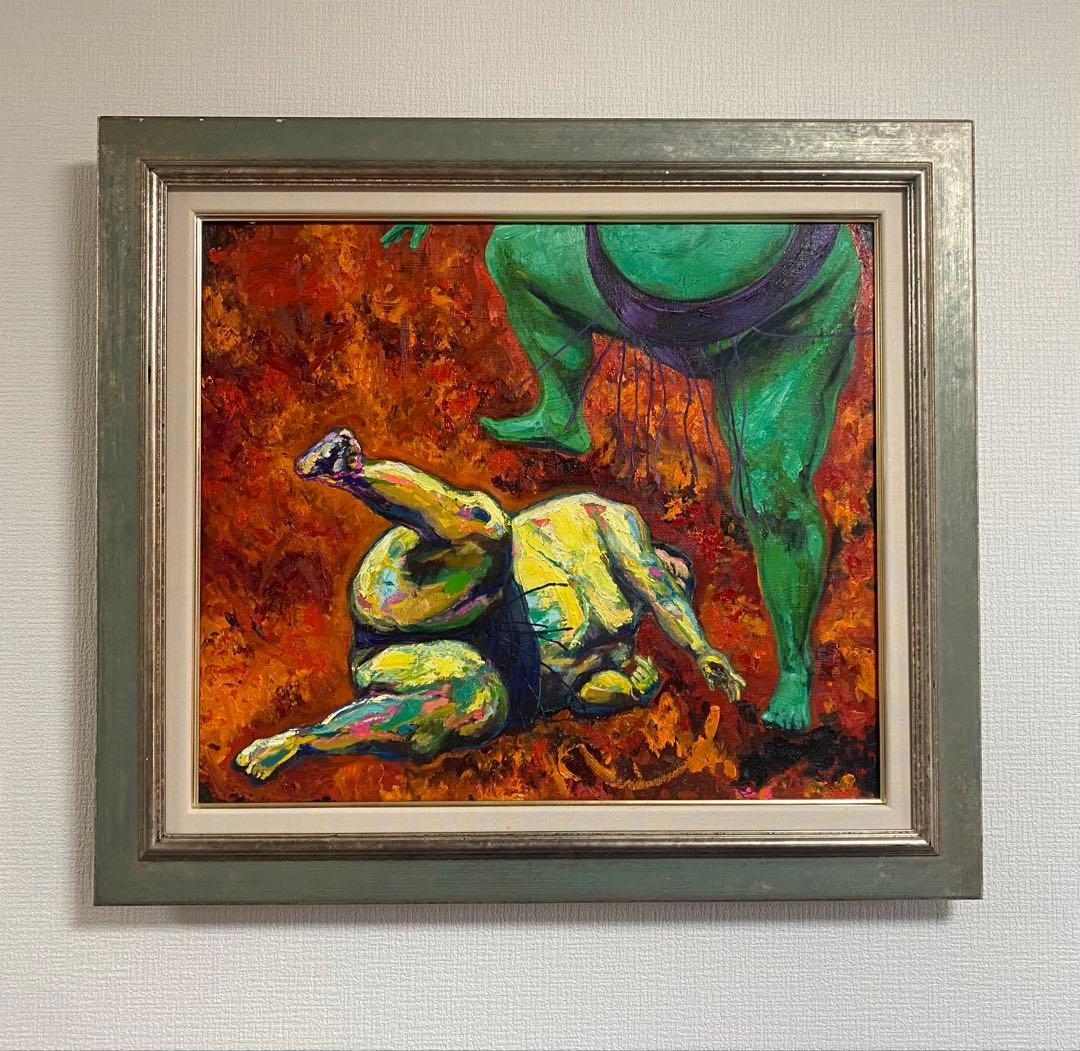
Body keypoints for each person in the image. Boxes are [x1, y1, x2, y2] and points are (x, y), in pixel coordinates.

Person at [380, 221, 863, 731]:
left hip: (787, 307)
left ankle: (794, 667)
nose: (673, 571)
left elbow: (659, 592)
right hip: (627, 298)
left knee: (771, 496)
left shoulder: (614, 562)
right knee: (512, 250)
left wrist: (700, 650)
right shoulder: (608, 554)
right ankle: (560, 412)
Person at [235, 428, 743, 780]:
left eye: (684, 586)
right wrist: (700, 649)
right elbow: (654, 581)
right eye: (675, 570)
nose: (676, 582)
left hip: (411, 660)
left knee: (482, 704)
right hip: (419, 591)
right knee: (489, 530)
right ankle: (353, 471)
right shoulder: (607, 522)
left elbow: (582, 696)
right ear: (660, 553)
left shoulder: (616, 643)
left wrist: (632, 688)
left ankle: (303, 741)